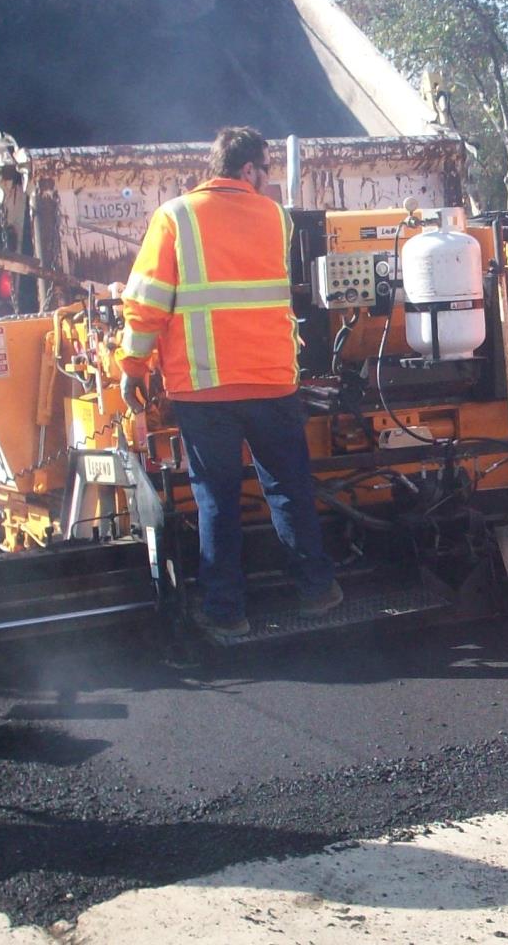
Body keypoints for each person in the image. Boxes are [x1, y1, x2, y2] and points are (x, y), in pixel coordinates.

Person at [118, 125, 340, 642]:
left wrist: (133, 366)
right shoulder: (277, 218)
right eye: (265, 169)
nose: (267, 180)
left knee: (216, 498)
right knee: (288, 488)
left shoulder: (175, 217)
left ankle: (226, 612)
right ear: (248, 169)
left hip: (204, 387)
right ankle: (316, 590)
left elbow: (147, 302)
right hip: (271, 383)